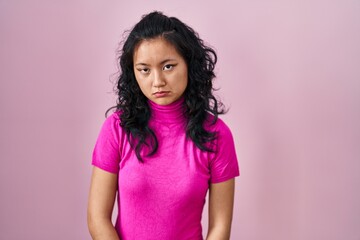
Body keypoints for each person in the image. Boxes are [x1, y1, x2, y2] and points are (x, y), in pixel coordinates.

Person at [87, 11, 240, 240]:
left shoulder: (217, 135)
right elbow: (97, 217)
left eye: (168, 66)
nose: (157, 81)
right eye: (144, 70)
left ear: (189, 64)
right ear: (134, 73)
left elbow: (219, 227)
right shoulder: (116, 128)